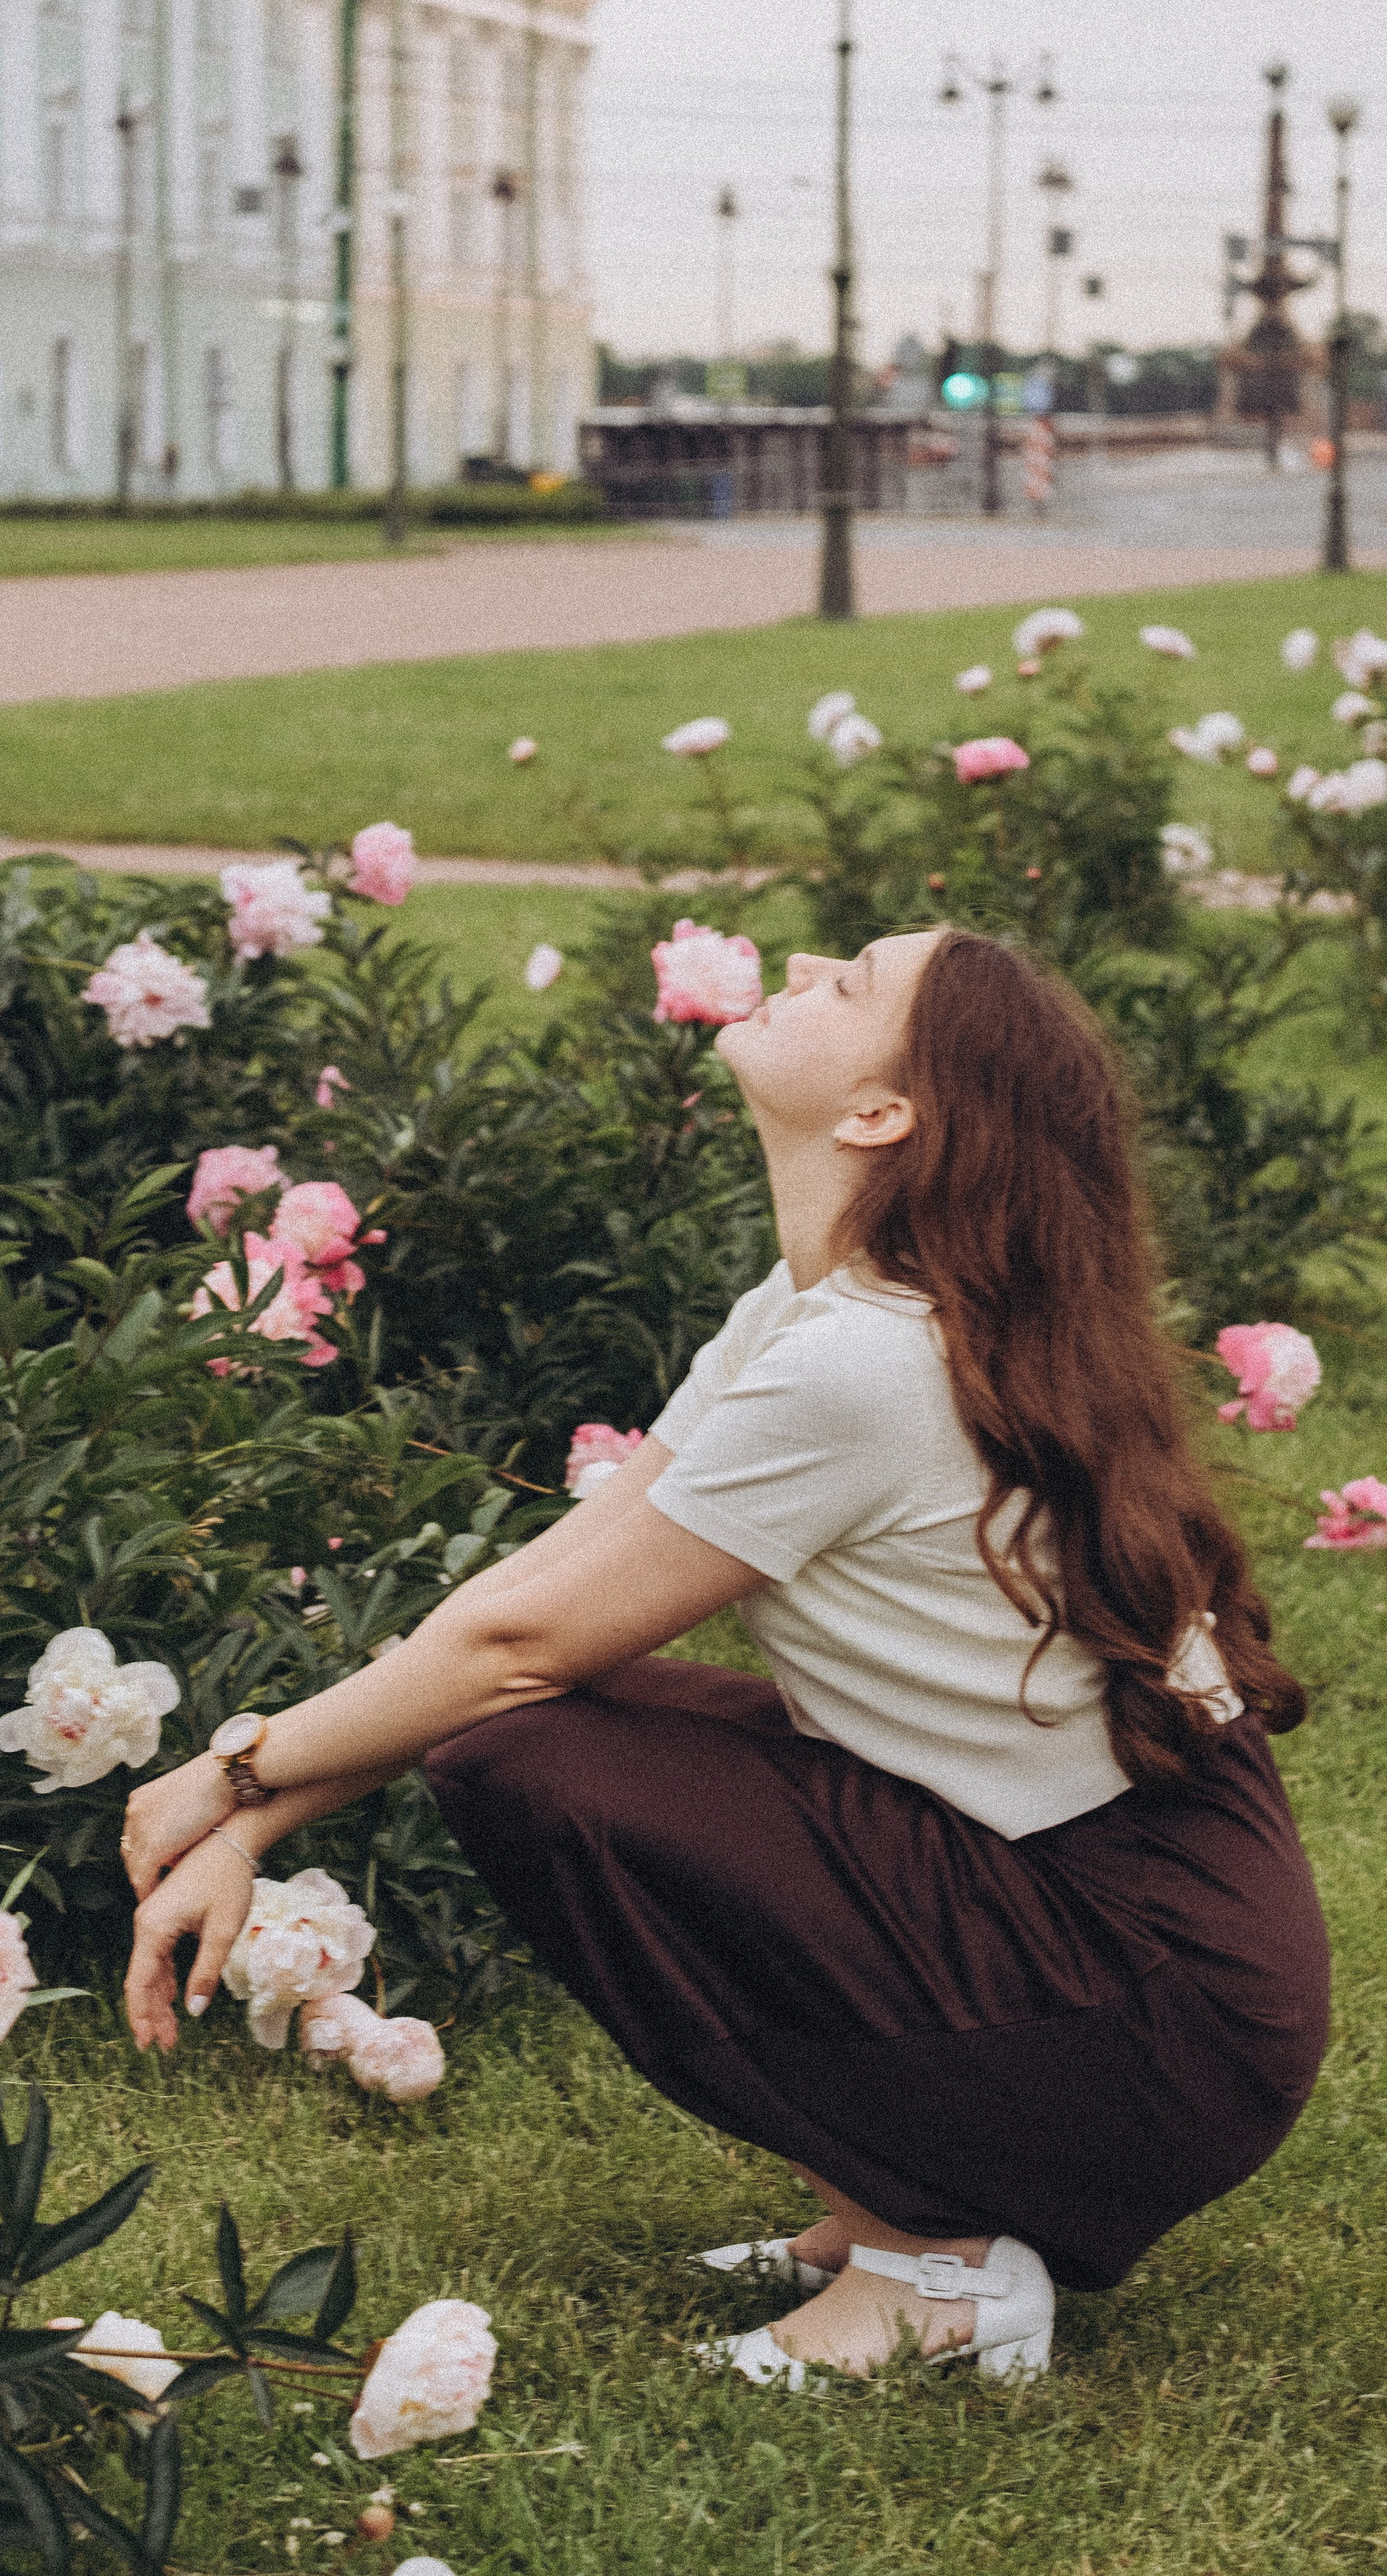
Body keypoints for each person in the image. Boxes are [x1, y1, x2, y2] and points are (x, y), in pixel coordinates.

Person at [121, 928, 1329, 2386]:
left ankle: (938, 2267)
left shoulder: (867, 1364)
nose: (808, 959)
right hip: (1134, 1924)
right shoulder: (820, 1310)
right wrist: (260, 1807)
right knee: (550, 1730)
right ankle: (889, 2194)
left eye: (853, 980)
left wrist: (231, 1763)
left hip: (1155, 1993)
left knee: (535, 1760)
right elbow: (540, 1597)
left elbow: (513, 1650)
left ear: (881, 1115)